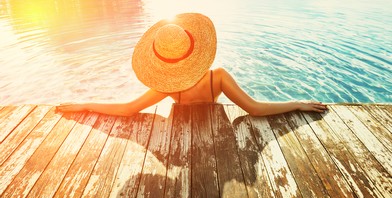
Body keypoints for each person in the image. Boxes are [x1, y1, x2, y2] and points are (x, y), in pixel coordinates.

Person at [56, 13, 327, 116]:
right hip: (216, 143)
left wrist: (87, 105)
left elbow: (128, 109)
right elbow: (254, 108)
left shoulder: (170, 85)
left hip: (180, 146)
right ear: (195, 46)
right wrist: (296, 103)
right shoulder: (218, 77)